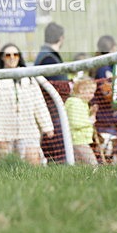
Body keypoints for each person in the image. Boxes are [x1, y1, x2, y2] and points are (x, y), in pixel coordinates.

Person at [0, 43, 54, 165]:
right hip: (2, 130)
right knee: (5, 165)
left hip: (28, 129)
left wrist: (47, 126)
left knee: (33, 162)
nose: (12, 57)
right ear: (2, 57)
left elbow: (39, 103)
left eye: (15, 54)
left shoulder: (29, 78)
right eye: (8, 55)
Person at [35, 22, 71, 164]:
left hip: (51, 111)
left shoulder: (45, 55)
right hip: (52, 112)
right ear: (61, 38)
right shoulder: (49, 58)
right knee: (58, 155)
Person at [64, 76, 99, 166]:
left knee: (81, 165)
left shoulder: (82, 103)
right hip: (78, 140)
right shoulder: (74, 103)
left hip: (82, 139)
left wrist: (91, 113)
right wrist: (90, 121)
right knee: (93, 164)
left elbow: (82, 117)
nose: (93, 96)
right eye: (91, 92)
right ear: (81, 90)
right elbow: (75, 123)